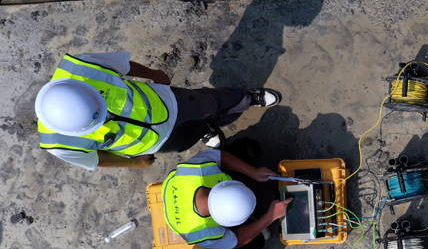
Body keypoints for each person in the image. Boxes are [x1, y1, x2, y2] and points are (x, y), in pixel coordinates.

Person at [35, 50, 282, 170]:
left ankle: (248, 98)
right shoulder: (56, 143)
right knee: (185, 141)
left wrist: (153, 74)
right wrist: (132, 163)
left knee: (210, 102)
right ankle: (203, 130)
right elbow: (95, 158)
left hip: (167, 102)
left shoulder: (79, 67)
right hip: (153, 144)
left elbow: (122, 65)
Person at [162, 139, 290, 249]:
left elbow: (219, 156)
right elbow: (237, 241)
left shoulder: (197, 169)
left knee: (250, 148)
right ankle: (255, 224)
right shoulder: (202, 234)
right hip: (188, 219)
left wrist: (252, 171)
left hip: (185, 187)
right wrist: (270, 217)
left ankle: (253, 221)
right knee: (255, 244)